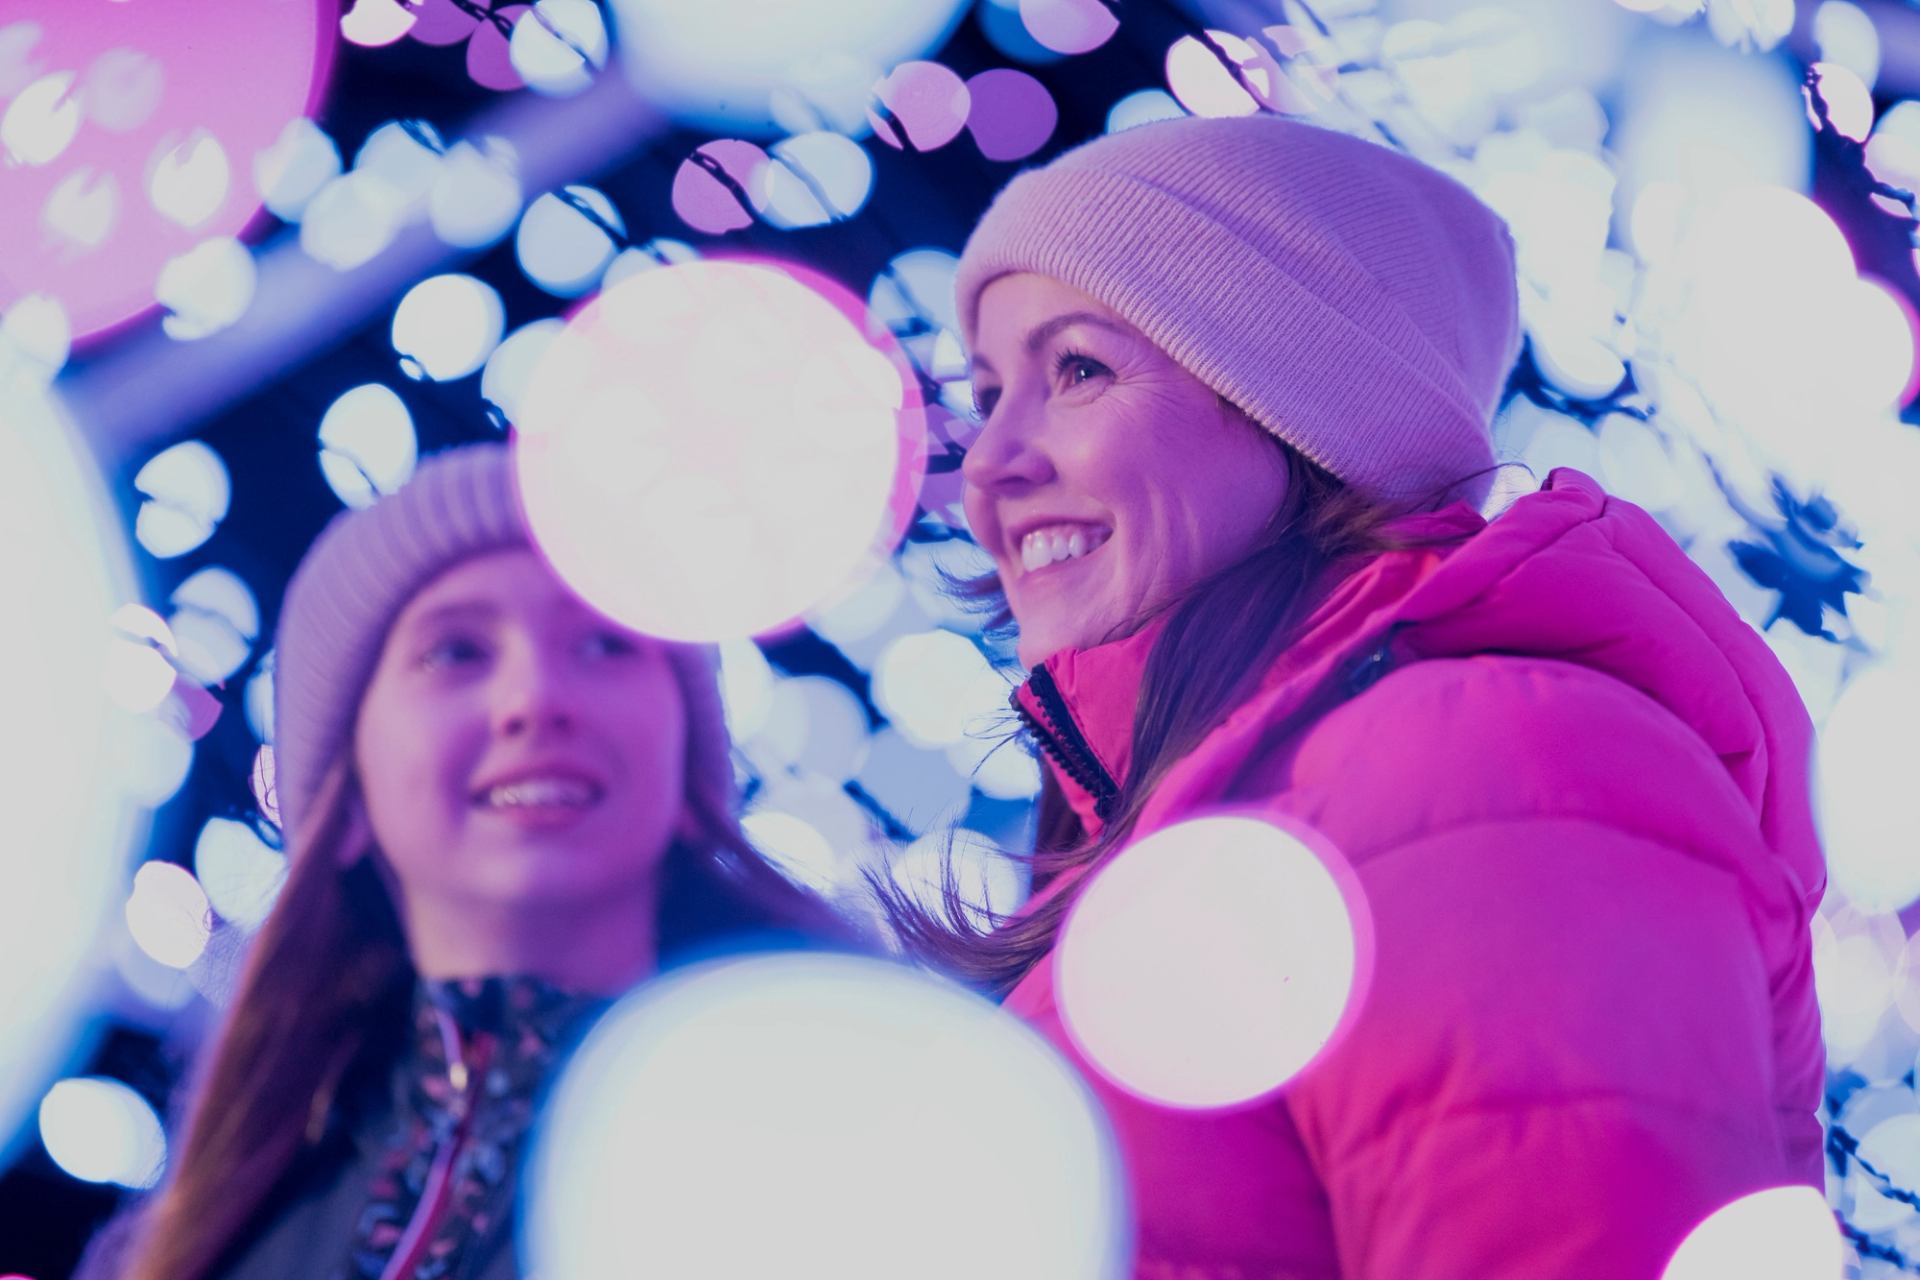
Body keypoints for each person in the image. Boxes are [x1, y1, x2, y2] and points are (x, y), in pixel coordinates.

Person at [887, 115, 1826, 1277]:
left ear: (1298, 403)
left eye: (1078, 368)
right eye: (988, 391)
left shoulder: (1487, 766)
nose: (989, 463)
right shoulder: (1243, 809)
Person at [85, 443, 853, 1280]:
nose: (534, 699)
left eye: (603, 644)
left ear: (686, 756)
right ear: (347, 804)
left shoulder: (851, 1123)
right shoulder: (239, 1229)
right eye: (455, 653)